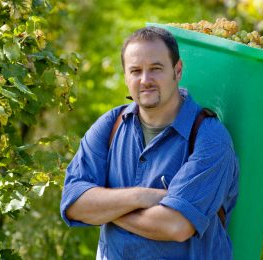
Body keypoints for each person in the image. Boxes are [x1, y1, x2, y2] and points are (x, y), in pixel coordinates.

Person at [60, 26, 239, 259]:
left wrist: (105, 208)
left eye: (156, 69)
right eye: (135, 71)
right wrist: (140, 197)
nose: (145, 80)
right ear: (125, 77)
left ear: (178, 70)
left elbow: (175, 225)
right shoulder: (111, 125)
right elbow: (73, 203)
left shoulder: (210, 138)